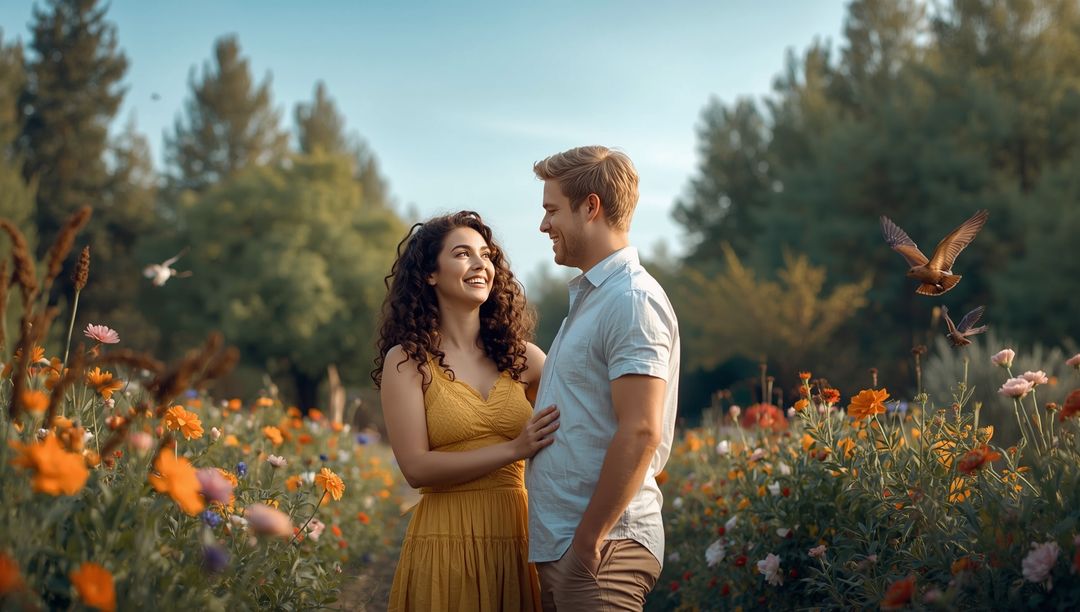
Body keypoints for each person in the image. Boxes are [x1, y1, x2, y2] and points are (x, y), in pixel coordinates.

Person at [373, 211, 559, 611]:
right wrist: (514, 449)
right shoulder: (407, 361)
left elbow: (582, 421)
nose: (480, 265)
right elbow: (416, 468)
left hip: (520, 538)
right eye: (463, 254)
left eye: (486, 255)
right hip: (445, 544)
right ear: (430, 274)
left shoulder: (527, 360)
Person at [526, 146, 680, 610]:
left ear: (590, 207)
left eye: (552, 210)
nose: (543, 225)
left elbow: (642, 429)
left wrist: (587, 544)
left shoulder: (631, 300)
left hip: (603, 550)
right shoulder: (594, 299)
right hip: (572, 547)